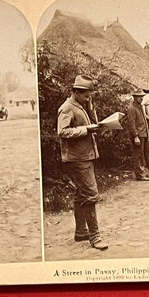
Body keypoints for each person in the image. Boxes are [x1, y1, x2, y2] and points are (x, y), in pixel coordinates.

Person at [57, 75, 108, 250]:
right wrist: (86, 129)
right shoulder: (66, 108)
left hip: (85, 155)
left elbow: (92, 123)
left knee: (81, 194)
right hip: (78, 158)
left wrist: (90, 107)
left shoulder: (81, 105)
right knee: (91, 194)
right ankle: (95, 236)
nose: (89, 98)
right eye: (86, 95)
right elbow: (62, 132)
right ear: (76, 92)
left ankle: (80, 232)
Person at [126, 87, 149, 181]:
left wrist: (148, 134)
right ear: (134, 97)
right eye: (138, 97)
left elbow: (144, 122)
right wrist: (135, 136)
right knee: (139, 155)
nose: (141, 98)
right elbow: (131, 124)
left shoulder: (140, 107)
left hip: (145, 134)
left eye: (142, 96)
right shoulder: (132, 108)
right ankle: (140, 175)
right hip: (138, 135)